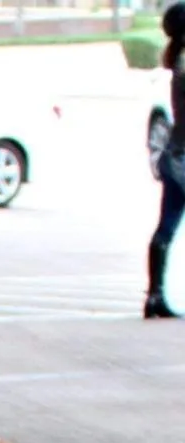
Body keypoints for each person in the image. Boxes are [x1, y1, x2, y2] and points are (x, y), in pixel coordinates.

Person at [150, 3, 185, 317]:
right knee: (168, 225)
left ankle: (155, 295)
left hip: (175, 158)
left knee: (167, 226)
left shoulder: (178, 60)